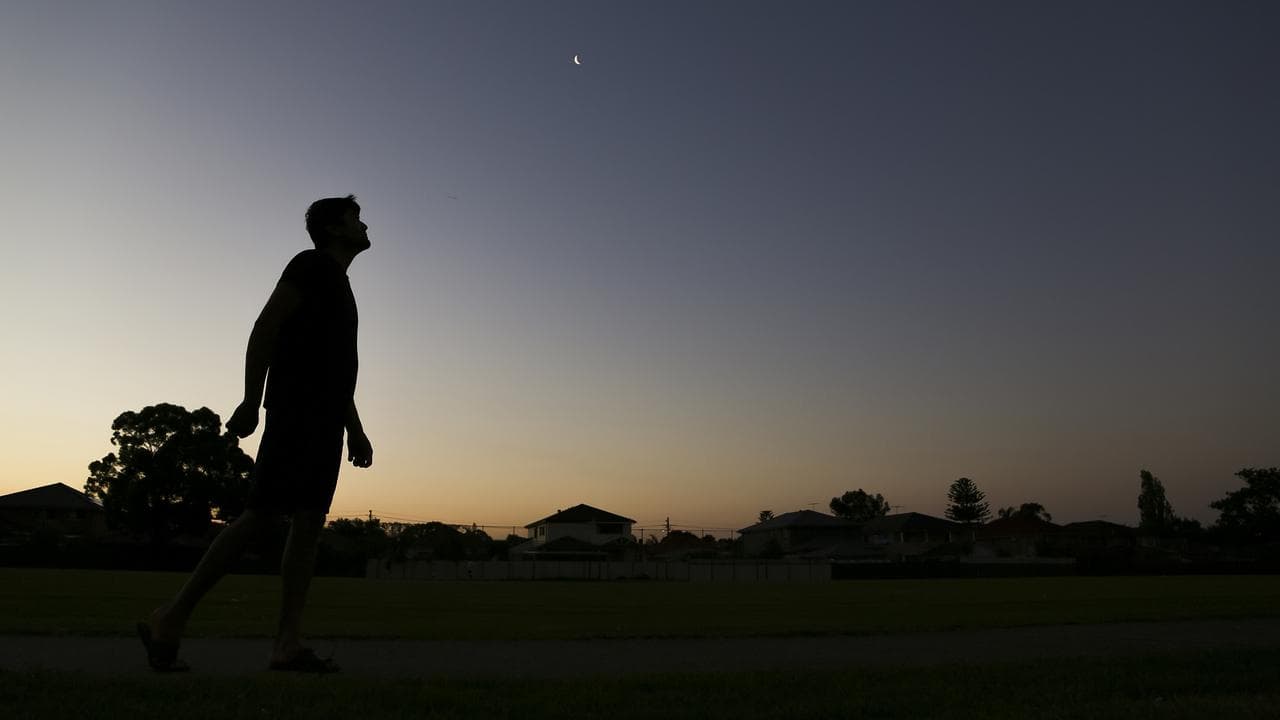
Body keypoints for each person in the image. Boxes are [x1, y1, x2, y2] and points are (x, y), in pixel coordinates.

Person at [136, 195, 374, 673]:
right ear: (332, 228)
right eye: (355, 218)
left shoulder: (342, 286)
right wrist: (250, 400)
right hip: (296, 412)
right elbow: (265, 328)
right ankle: (171, 616)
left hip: (326, 420)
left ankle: (286, 644)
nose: (364, 224)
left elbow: (333, 370)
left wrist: (355, 430)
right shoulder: (309, 265)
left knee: (308, 525)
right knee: (261, 516)